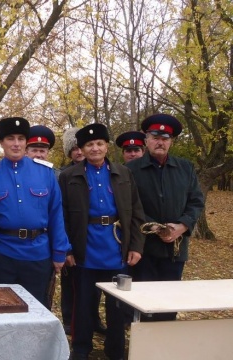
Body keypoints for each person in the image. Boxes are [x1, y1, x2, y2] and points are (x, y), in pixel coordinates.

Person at [59, 123, 144, 360]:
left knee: (118, 307)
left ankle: (115, 350)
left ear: (106, 146)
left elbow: (136, 211)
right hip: (84, 249)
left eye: (99, 143)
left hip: (117, 249)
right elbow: (61, 216)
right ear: (82, 149)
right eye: (89, 145)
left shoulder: (123, 173)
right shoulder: (69, 176)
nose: (95, 148)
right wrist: (66, 248)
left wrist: (136, 246)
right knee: (83, 305)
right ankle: (81, 348)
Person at [0, 117, 71, 307]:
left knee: (36, 310)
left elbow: (56, 214)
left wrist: (59, 252)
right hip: (2, 255)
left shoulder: (45, 173)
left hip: (38, 255)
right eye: (10, 139)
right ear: (1, 142)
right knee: (1, 309)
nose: (16, 144)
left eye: (21, 139)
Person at [126, 114, 204, 321]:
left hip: (175, 250)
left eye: (165, 138)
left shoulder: (185, 168)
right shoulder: (130, 170)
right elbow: (128, 206)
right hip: (143, 249)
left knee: (169, 304)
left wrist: (182, 226)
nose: (160, 142)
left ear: (171, 141)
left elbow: (196, 201)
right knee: (144, 304)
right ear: (146, 139)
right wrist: (157, 228)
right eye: (155, 136)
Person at [59, 126, 106, 335]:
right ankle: (71, 319)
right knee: (73, 286)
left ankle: (93, 318)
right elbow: (62, 214)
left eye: (81, 148)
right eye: (74, 149)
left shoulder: (107, 172)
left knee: (96, 286)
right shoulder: (65, 175)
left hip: (100, 242)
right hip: (75, 240)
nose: (79, 152)